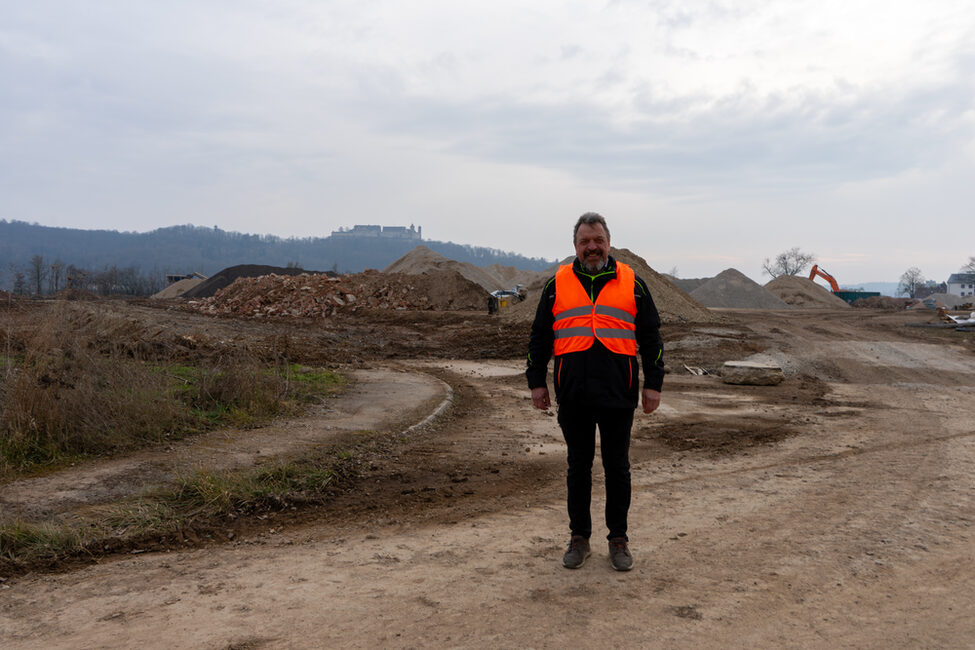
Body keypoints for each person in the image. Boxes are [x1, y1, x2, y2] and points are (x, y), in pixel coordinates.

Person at [526, 212, 664, 571]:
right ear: (575, 246)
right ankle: (579, 538)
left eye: (598, 240)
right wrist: (536, 381)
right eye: (585, 241)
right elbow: (539, 336)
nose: (592, 247)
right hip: (573, 394)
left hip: (619, 393)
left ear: (608, 243)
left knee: (617, 467)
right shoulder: (557, 284)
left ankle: (618, 539)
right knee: (578, 467)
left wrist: (654, 384)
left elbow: (651, 336)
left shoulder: (632, 283)